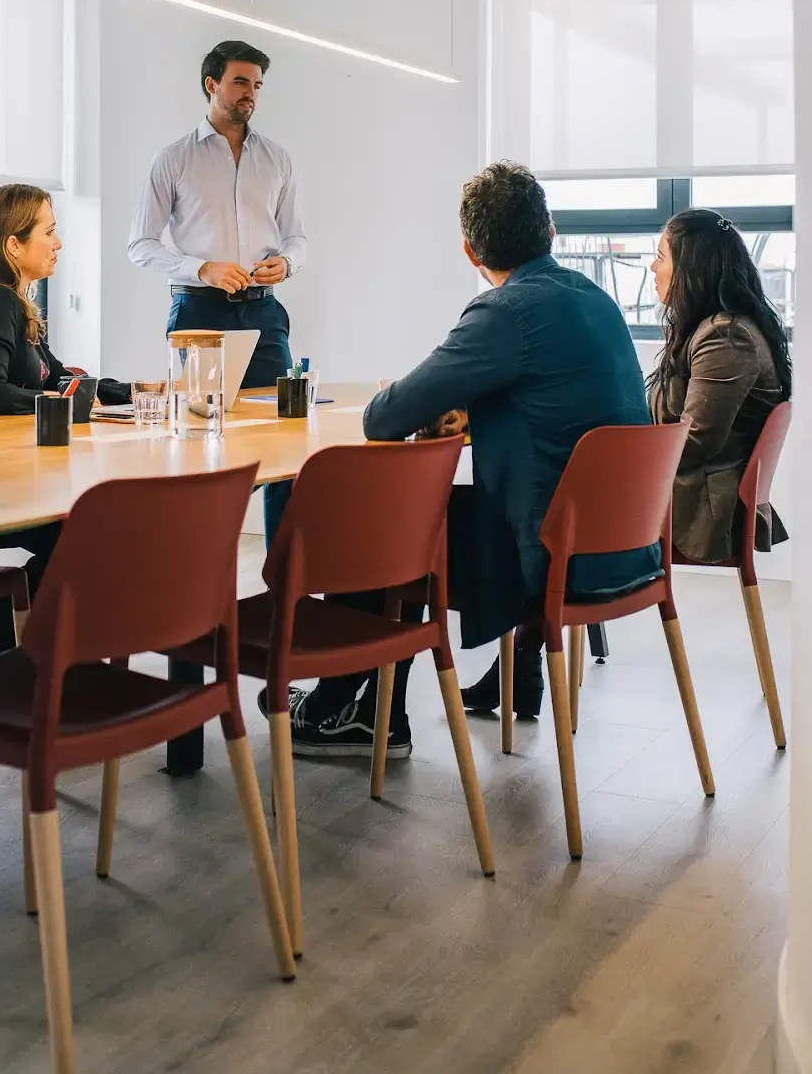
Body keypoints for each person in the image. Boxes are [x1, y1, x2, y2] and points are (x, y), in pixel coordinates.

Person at [270, 162, 659, 760]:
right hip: (624, 546)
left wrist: (447, 408)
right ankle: (367, 711)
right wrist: (475, 417)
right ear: (549, 231)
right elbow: (555, 402)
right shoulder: (594, 299)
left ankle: (346, 709)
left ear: (469, 249)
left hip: (547, 552)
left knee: (388, 522)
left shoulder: (503, 313)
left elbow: (384, 417)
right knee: (413, 516)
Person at [0, 183, 129, 652]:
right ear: (13, 244)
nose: (59, 243)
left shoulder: (17, 306)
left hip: (12, 479)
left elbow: (62, 377)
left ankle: (14, 639)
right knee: (102, 528)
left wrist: (139, 392)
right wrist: (63, 403)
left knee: (108, 526)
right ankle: (5, 638)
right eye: (50, 231)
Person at [128, 39, 307, 537]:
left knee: (284, 435)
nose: (251, 93)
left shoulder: (277, 159)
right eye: (241, 82)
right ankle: (201, 579)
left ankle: (281, 577)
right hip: (198, 313)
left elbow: (296, 236)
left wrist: (287, 263)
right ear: (212, 84)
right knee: (203, 439)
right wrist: (199, 267)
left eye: (257, 84)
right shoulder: (174, 159)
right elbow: (139, 244)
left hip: (264, 314)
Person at [648, 209, 791, 562]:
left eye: (661, 257)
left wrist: (624, 464)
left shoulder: (726, 336)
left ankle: (563, 610)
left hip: (700, 509)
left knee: (559, 509)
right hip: (687, 495)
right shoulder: (714, 329)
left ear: (692, 270)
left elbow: (696, 442)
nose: (653, 268)